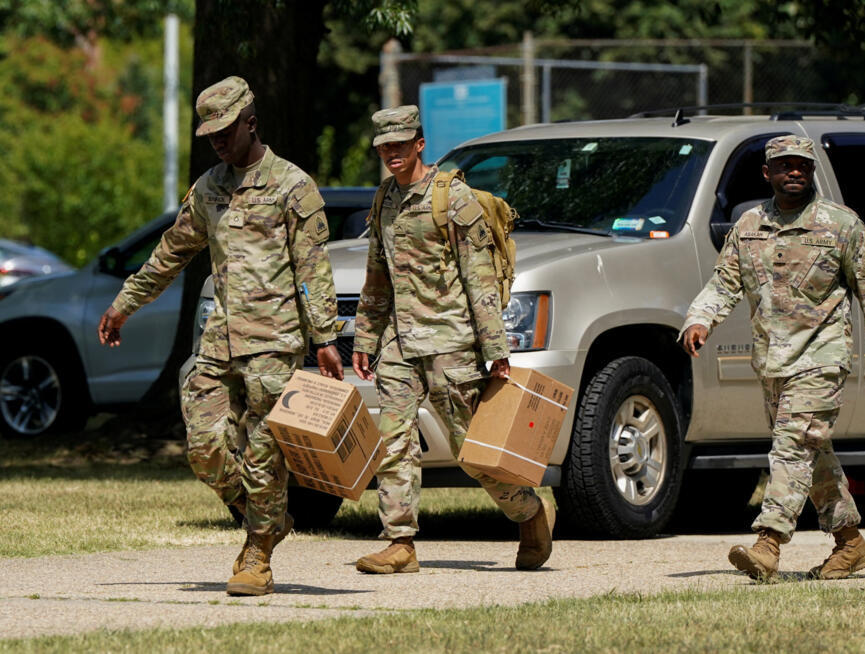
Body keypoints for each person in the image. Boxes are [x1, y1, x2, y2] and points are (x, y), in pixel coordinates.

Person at [98, 76, 343, 596]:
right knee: (204, 448)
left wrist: (324, 337)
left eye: (225, 132)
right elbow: (170, 253)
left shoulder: (292, 185)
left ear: (251, 123)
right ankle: (267, 517)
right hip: (218, 341)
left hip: (273, 344)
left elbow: (312, 268)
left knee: (263, 454)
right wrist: (125, 304)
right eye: (209, 135)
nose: (217, 142)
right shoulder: (209, 188)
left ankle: (257, 554)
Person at [679, 135, 865, 581]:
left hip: (822, 358)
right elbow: (724, 283)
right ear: (768, 173)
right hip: (772, 363)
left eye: (802, 164)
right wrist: (700, 319)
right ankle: (850, 543)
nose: (795, 171)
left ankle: (768, 543)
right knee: (811, 454)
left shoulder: (842, 225)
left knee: (791, 448)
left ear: (812, 170)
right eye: (784, 165)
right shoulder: (748, 226)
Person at [351, 105, 555, 574]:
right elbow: (377, 275)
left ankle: (529, 512)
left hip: (452, 344)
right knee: (393, 443)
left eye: (400, 145)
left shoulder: (453, 198)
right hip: (399, 344)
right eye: (384, 147)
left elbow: (478, 278)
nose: (392, 153)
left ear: (419, 145)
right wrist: (366, 337)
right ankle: (400, 542)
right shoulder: (384, 199)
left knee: (473, 451)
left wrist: (495, 350)